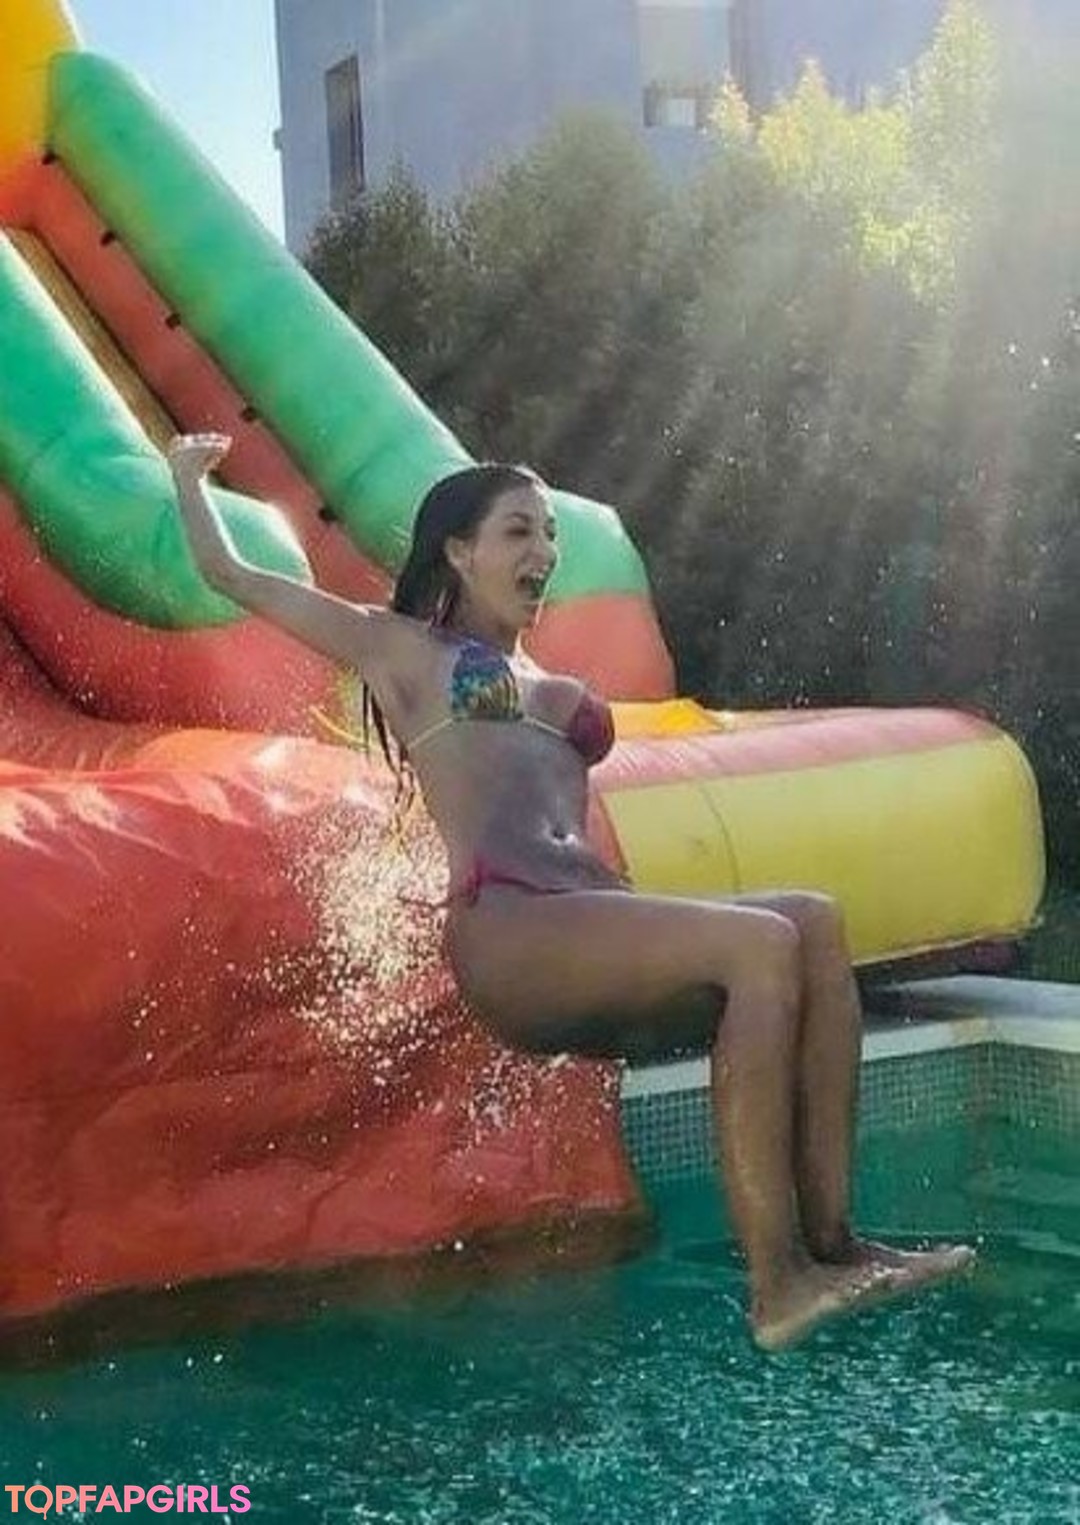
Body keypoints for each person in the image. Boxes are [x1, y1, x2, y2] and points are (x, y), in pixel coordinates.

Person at [168, 434, 973, 1351]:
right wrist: (189, 478)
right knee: (759, 943)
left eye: (549, 532)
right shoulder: (404, 650)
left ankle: (836, 1244)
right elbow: (231, 574)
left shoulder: (537, 678)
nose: (543, 551)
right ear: (459, 552)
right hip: (510, 924)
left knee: (815, 922)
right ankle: (778, 1283)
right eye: (519, 531)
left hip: (578, 910)